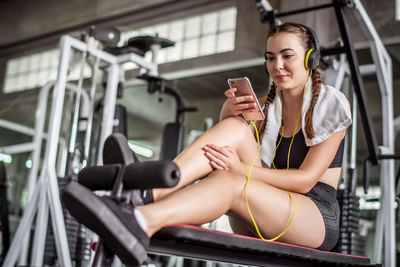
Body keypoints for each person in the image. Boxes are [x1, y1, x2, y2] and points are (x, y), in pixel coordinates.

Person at [62, 22, 352, 266]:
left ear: (310, 58)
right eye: (270, 57)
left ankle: (140, 219)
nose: (277, 65)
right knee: (235, 129)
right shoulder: (268, 106)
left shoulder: (330, 104)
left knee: (230, 180)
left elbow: (304, 182)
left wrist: (240, 170)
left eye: (287, 56)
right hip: (265, 206)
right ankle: (149, 193)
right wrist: (230, 110)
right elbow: (233, 136)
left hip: (314, 219)